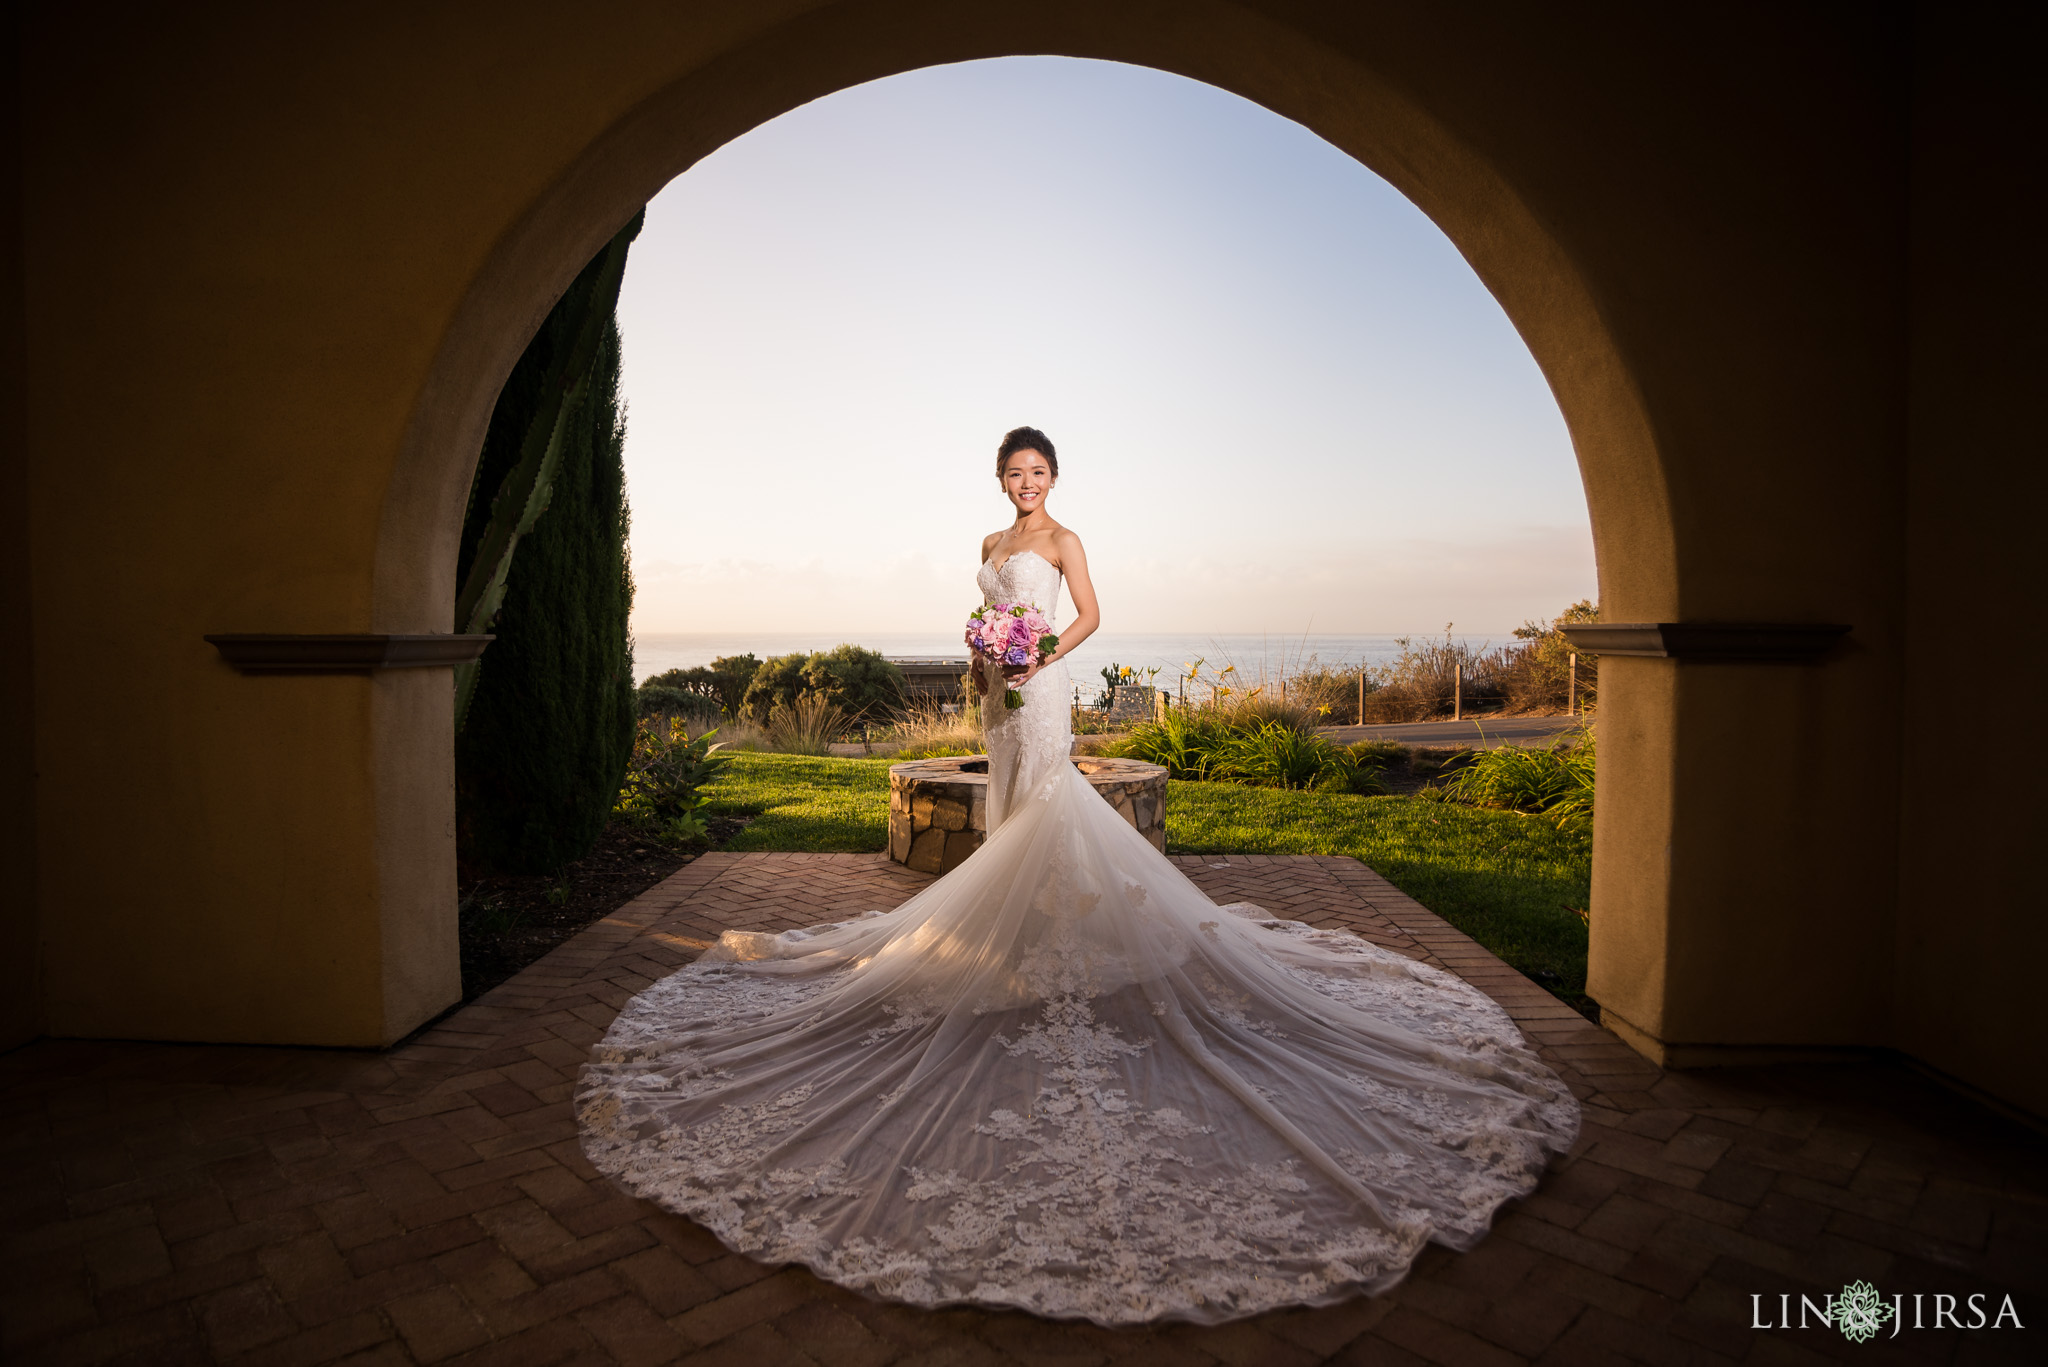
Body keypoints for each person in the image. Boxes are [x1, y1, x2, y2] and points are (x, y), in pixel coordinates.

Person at [577, 426, 1578, 1325]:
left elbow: (1093, 614)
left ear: (1052, 479)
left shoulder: (1062, 544)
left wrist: (1035, 648)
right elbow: (976, 631)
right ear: (998, 479)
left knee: (1048, 810)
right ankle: (1009, 943)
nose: (1025, 484)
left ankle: (1057, 944)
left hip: (1043, 689)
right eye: (1014, 472)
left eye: (1038, 472)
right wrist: (984, 666)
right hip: (996, 704)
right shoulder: (982, 549)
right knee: (1008, 811)